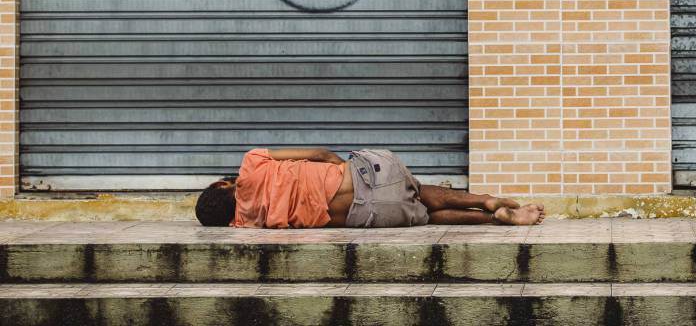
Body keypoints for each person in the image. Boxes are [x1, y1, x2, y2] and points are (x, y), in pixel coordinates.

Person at [194, 147, 545, 229]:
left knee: (423, 215)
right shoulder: (252, 163)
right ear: (222, 184)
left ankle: (494, 220)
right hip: (369, 175)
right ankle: (486, 200)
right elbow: (319, 153)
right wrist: (340, 166)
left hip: (368, 214)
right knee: (419, 190)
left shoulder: (248, 224)